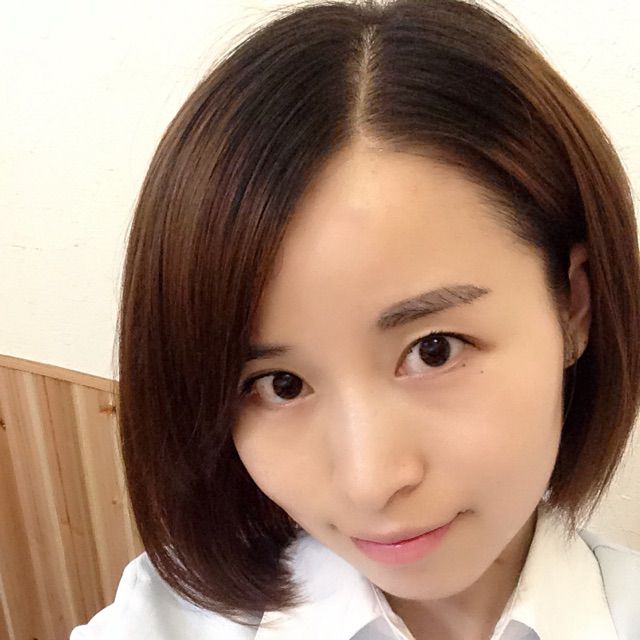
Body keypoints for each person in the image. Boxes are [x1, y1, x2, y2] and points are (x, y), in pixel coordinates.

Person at [70, 0, 640, 638]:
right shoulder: (168, 621)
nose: (369, 483)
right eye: (280, 385)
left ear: (574, 305)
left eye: (434, 349)